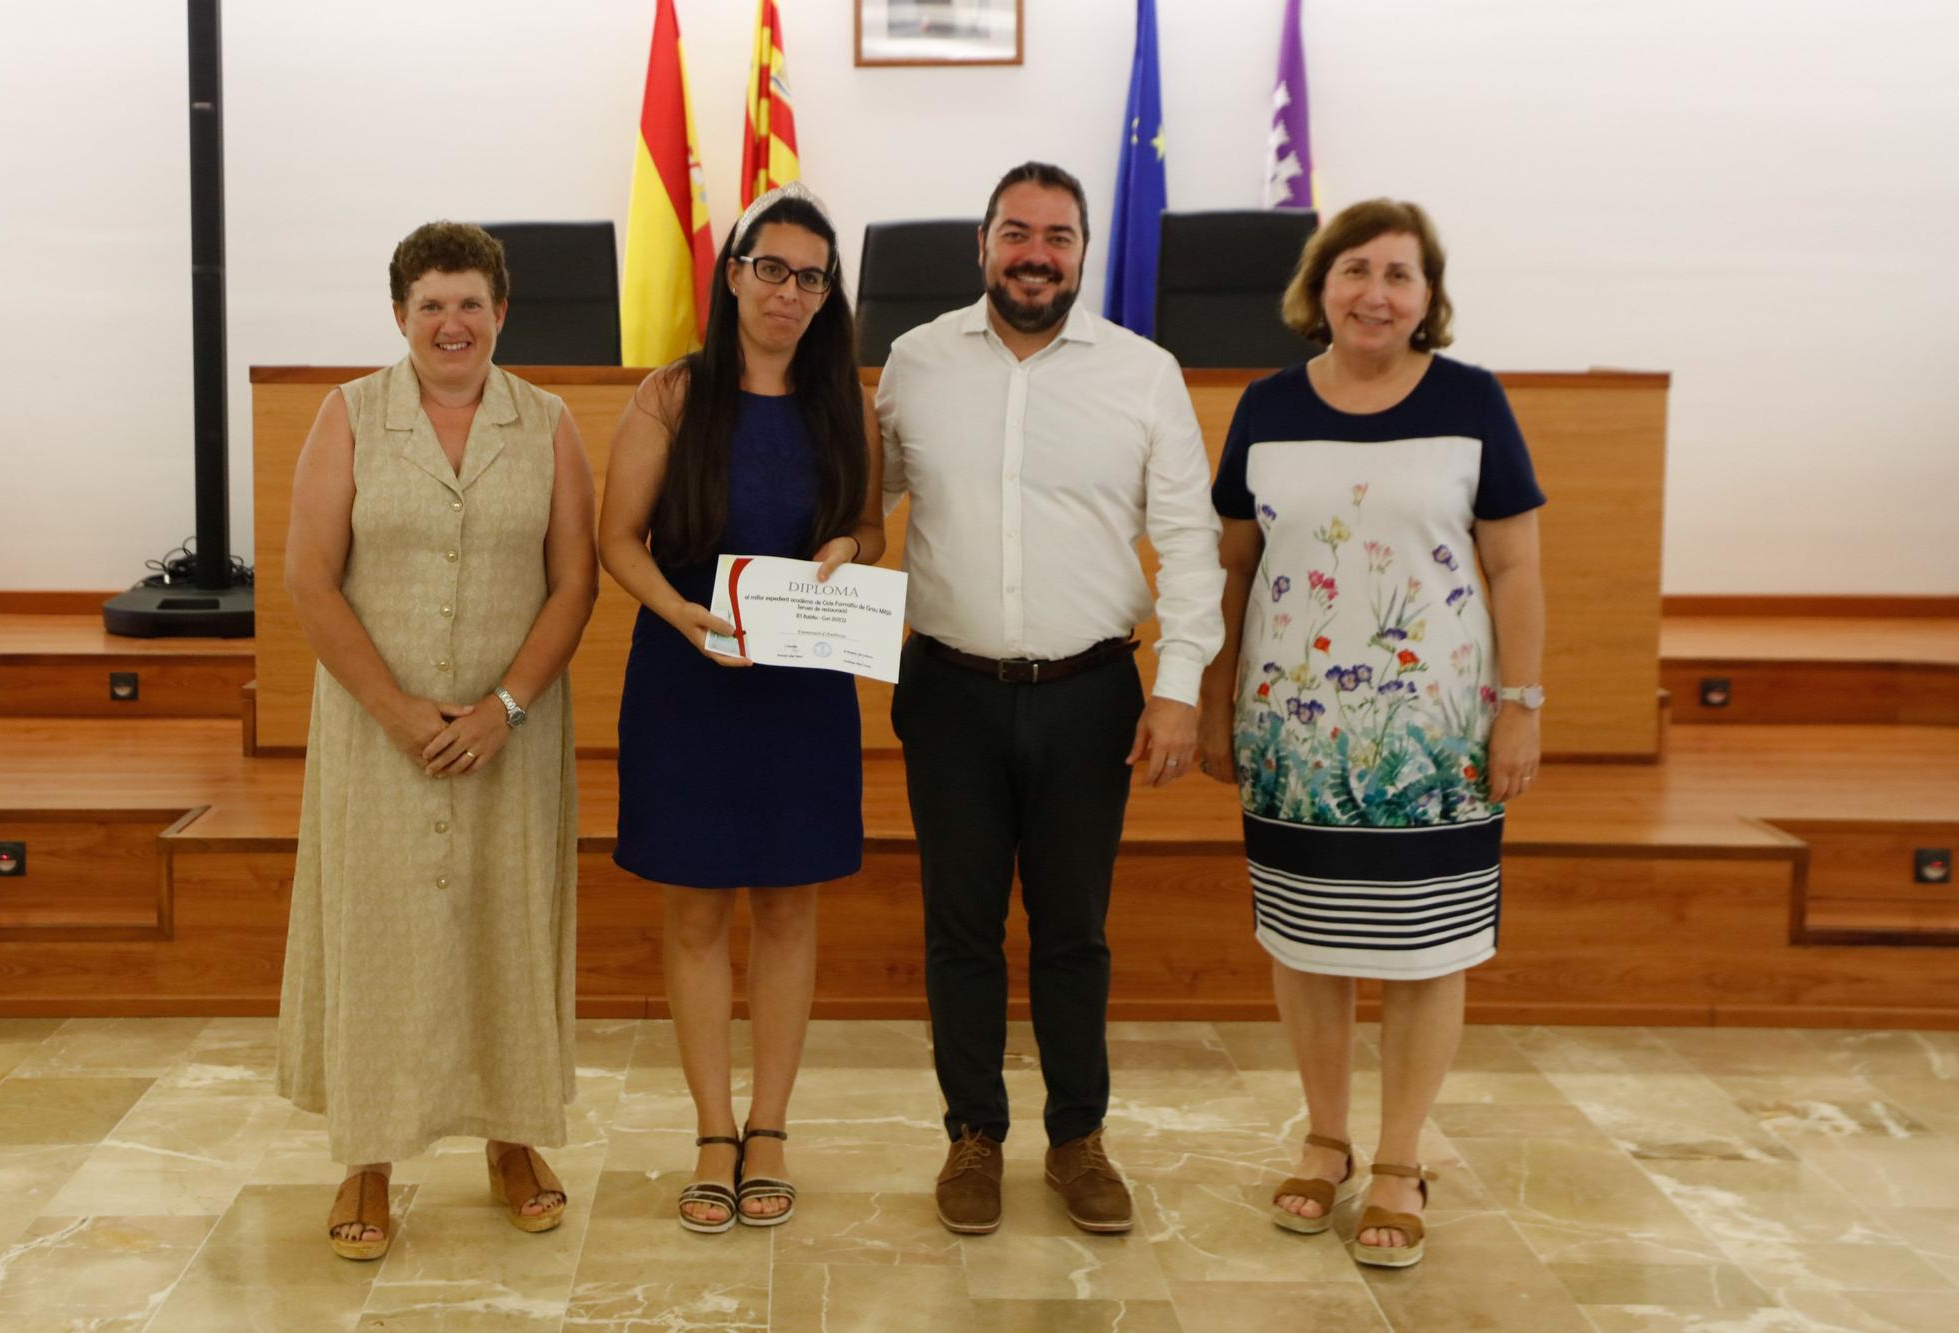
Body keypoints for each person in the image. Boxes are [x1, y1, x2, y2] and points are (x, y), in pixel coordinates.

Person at [877, 161, 1224, 1237]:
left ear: (1082, 251)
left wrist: (1174, 688)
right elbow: (857, 499)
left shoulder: (1143, 372)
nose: (1035, 252)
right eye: (1015, 231)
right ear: (981, 244)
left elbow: (1188, 542)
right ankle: (971, 1136)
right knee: (960, 929)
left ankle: (1077, 1137)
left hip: (1090, 699)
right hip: (947, 693)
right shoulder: (914, 361)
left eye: (1057, 236)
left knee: (1073, 930)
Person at [1198, 198, 1546, 1269]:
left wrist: (1518, 707)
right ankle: (1325, 1137)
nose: (1375, 293)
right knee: (1305, 944)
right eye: (1355, 270)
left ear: (1427, 297)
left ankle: (1398, 1157)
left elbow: (1514, 568)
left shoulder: (1471, 401)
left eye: (1399, 275)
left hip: (1434, 740)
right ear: (1320, 287)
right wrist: (1211, 700)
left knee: (1425, 947)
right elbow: (1233, 569)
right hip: (1296, 737)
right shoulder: (1261, 405)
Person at [278, 221, 598, 1259]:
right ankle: (366, 1156)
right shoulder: (349, 416)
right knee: (376, 932)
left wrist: (503, 706)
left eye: (470, 302)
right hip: (380, 732)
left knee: (508, 923)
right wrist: (396, 708)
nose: (451, 322)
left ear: (501, 312)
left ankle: (513, 1142)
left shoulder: (546, 421)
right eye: (430, 305)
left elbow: (575, 581)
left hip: (512, 731)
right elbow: (309, 578)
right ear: (400, 318)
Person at [599, 181, 884, 1234]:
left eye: (811, 276)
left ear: (826, 294)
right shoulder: (672, 395)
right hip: (688, 673)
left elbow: (864, 522)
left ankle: (770, 1125)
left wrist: (848, 548)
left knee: (790, 904)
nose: (789, 290)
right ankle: (712, 1129)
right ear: (733, 274)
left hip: (802, 681)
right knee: (694, 907)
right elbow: (615, 539)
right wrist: (682, 615)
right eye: (771, 267)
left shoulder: (845, 401)